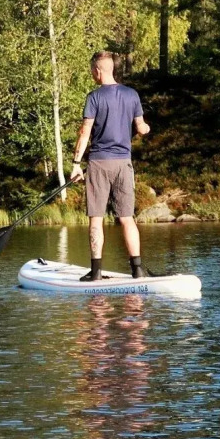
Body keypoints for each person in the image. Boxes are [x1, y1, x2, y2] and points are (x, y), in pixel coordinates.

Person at [68, 52, 150, 281]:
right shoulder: (132, 94)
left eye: (92, 71)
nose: (92, 74)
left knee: (96, 218)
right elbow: (141, 126)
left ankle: (96, 273)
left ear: (97, 70)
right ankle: (138, 269)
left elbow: (85, 132)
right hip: (123, 164)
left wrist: (76, 164)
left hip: (98, 163)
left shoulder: (93, 97)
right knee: (126, 217)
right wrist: (146, 129)